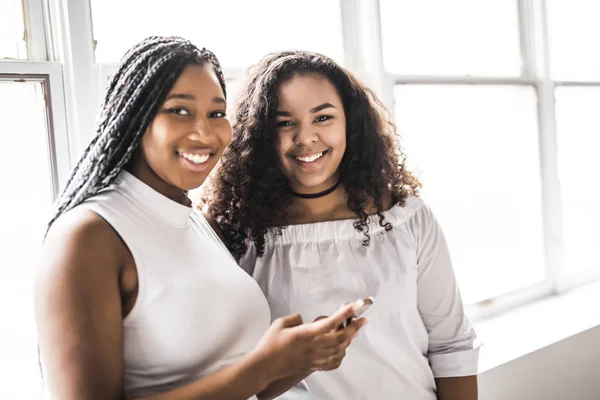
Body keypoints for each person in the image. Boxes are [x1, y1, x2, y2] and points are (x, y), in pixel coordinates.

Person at [34, 37, 365, 400]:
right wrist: (265, 365)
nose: (204, 133)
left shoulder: (195, 223)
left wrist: (300, 356)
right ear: (132, 115)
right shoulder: (89, 235)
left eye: (217, 113)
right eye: (180, 111)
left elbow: (242, 382)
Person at [205, 50, 479, 400]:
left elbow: (451, 346)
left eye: (322, 118)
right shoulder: (234, 234)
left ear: (351, 121)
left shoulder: (406, 217)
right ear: (258, 133)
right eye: (284, 123)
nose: (305, 138)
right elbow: (230, 367)